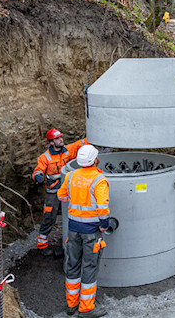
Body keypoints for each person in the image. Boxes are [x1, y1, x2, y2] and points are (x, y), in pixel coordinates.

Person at [58, 145, 109, 317]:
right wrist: (104, 224)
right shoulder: (98, 179)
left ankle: (71, 305)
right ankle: (86, 308)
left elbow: (61, 195)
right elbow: (103, 206)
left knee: (72, 264)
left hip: (73, 229)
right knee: (89, 267)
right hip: (91, 231)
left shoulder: (71, 175)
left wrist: (76, 197)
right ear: (95, 159)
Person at [32, 128, 89, 256]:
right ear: (51, 142)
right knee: (49, 217)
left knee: (75, 214)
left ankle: (74, 242)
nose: (61, 140)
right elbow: (38, 170)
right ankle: (42, 246)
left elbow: (84, 143)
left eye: (60, 137)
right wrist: (38, 176)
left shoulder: (68, 150)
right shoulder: (45, 158)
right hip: (54, 192)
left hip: (70, 190)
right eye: (57, 138)